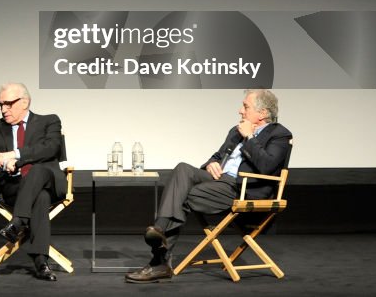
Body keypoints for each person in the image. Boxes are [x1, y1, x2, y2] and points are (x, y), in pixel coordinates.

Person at [125, 87, 293, 283]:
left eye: (245, 106)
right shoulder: (235, 130)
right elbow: (217, 156)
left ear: (263, 113)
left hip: (243, 189)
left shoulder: (279, 134)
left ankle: (159, 262)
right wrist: (210, 164)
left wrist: (250, 137)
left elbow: (266, 166)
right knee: (183, 169)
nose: (240, 111)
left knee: (180, 196)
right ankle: (159, 230)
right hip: (219, 181)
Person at [0, 82, 67, 281]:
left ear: (24, 102)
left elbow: (51, 148)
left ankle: (17, 222)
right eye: (0, 104)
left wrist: (16, 156)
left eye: (8, 104)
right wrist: (0, 161)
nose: (3, 109)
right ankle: (41, 262)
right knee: (40, 198)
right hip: (14, 187)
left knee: (38, 170)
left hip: (50, 182)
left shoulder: (49, 121)